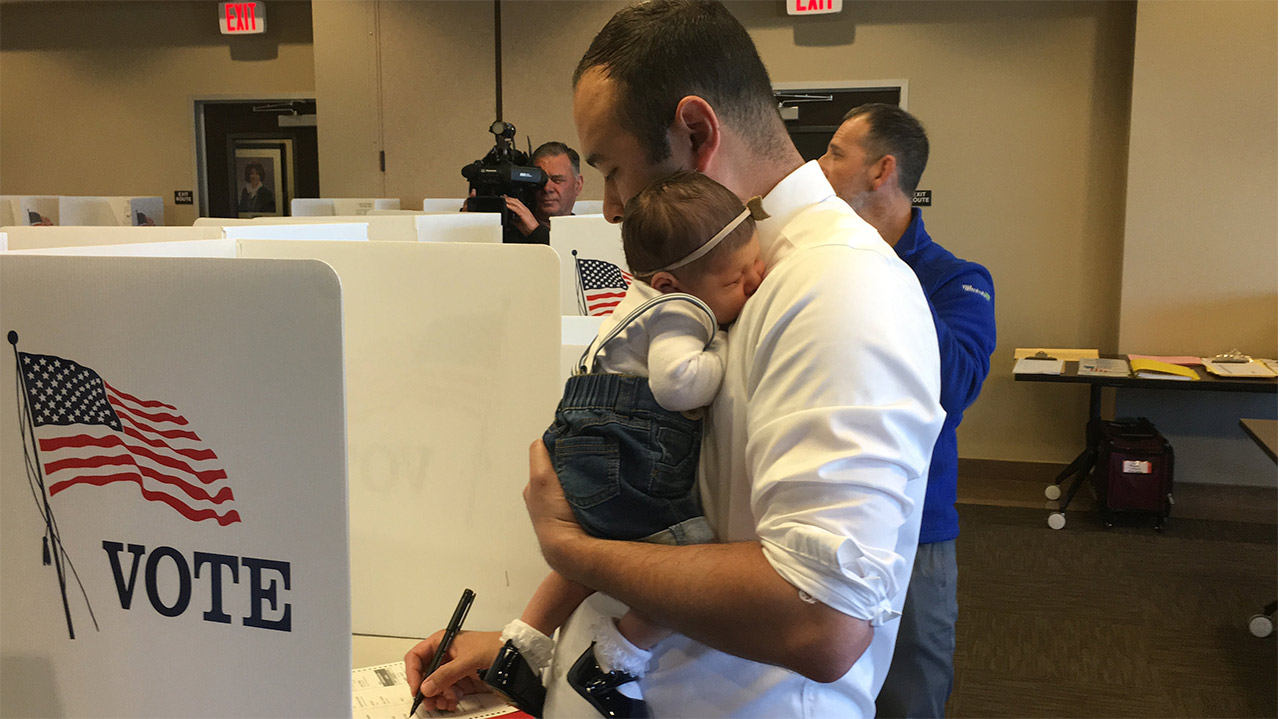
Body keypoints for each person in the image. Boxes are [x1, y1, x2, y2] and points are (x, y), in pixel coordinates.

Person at [406, 2, 944, 717]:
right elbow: (671, 530)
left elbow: (822, 621)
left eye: (614, 170)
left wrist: (571, 549)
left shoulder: (842, 289)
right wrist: (526, 644)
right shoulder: (716, 271)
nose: (609, 208)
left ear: (695, 131)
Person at [484, 172, 765, 719]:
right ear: (667, 281)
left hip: (586, 443)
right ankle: (614, 665)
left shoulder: (636, 301)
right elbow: (677, 383)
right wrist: (726, 354)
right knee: (690, 566)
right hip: (626, 452)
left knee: (592, 552)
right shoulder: (681, 310)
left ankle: (518, 650)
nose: (754, 282)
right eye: (737, 280)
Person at [818, 103, 997, 719]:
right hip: (824, 516)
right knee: (821, 688)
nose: (819, 165)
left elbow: (957, 386)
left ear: (881, 170)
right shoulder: (816, 266)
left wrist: (882, 274)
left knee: (909, 697)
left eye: (836, 152)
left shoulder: (955, 279)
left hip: (913, 531)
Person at [466, 141, 584, 244]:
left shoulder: (588, 232)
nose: (547, 188)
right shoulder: (506, 230)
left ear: (578, 184)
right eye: (538, 180)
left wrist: (535, 232)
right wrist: (466, 224)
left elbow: (570, 262)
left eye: (557, 180)